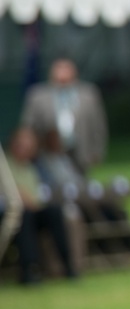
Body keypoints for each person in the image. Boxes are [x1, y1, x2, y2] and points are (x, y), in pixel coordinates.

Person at [5, 127, 77, 284]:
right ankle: (30, 269)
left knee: (54, 212)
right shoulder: (5, 165)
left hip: (34, 209)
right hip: (12, 213)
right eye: (23, 145)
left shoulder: (32, 167)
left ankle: (68, 265)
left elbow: (40, 194)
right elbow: (15, 192)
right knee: (24, 216)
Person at [20, 58, 108, 175]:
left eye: (66, 68)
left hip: (80, 151)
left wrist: (97, 151)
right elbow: (28, 126)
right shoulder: (38, 95)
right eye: (59, 68)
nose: (63, 72)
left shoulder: (88, 94)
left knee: (80, 186)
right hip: (48, 153)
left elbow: (98, 125)